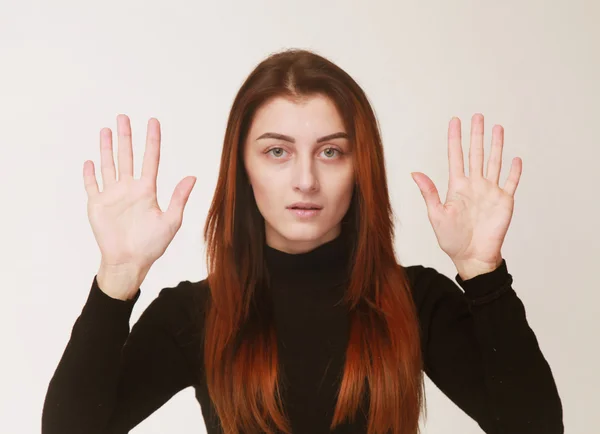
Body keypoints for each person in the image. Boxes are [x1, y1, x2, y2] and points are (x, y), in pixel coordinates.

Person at [41, 49, 563, 434]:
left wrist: (483, 272)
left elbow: (535, 428)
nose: (306, 180)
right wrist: (117, 279)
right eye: (277, 152)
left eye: (331, 152)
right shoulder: (195, 315)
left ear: (362, 167)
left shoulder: (413, 301)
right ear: (243, 167)